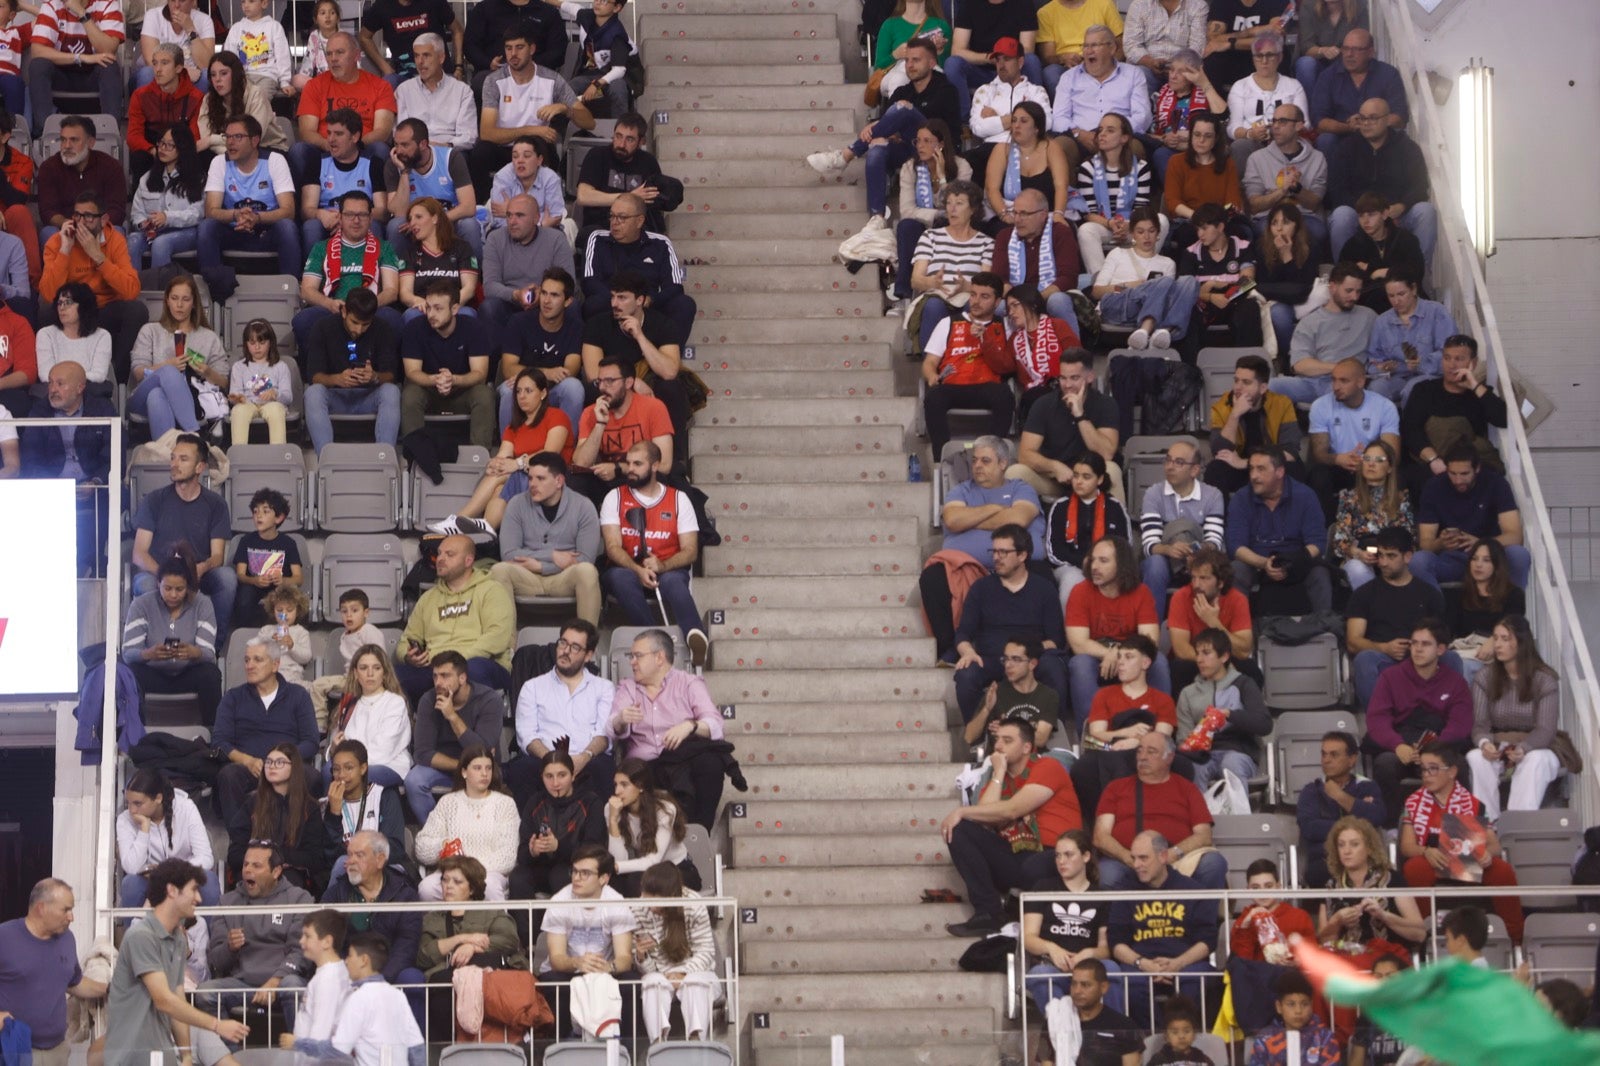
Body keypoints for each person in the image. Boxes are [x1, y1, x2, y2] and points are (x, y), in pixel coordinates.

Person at [941, 714, 1082, 936]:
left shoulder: (1048, 766)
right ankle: (989, 913)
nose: (998, 746)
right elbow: (985, 815)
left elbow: (1013, 810)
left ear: (1027, 747)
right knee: (960, 830)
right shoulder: (998, 776)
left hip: (1055, 854)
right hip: (1015, 853)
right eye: (997, 740)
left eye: (1007, 741)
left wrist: (961, 810)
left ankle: (1020, 910)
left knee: (1033, 867)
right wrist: (998, 773)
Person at [105, 859, 251, 1066]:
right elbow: (164, 1000)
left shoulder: (178, 939)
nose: (199, 898)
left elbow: (177, 997)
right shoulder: (141, 936)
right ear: (172, 890)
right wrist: (216, 1025)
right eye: (193, 890)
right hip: (130, 1058)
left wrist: (187, 1056)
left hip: (159, 1055)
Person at [806, 39, 960, 228]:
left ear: (932, 63)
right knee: (877, 148)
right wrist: (878, 129)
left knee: (902, 109)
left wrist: (893, 124)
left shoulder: (946, 90)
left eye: (916, 60)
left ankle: (846, 155)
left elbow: (934, 126)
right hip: (910, 150)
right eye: (907, 60)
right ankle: (877, 218)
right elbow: (888, 122)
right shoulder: (903, 91)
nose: (910, 65)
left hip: (939, 153)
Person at [922, 438, 1045, 663]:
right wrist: (994, 509)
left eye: (985, 461)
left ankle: (1036, 651)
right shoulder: (961, 491)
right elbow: (953, 520)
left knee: (1043, 576)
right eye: (975, 460)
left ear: (1003, 463)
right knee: (933, 576)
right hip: (966, 568)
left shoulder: (1021, 488)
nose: (977, 466)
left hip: (1018, 568)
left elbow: (1018, 519)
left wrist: (971, 519)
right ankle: (951, 647)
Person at [1396, 743, 1524, 943]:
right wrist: (1426, 851)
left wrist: (1487, 854)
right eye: (1423, 769)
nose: (1426, 775)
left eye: (1433, 769)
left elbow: (1494, 845)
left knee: (1502, 870)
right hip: (1434, 862)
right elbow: (1407, 847)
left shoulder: (1473, 803)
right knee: (1414, 868)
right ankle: (1421, 937)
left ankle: (1515, 939)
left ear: (1452, 772)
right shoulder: (1413, 803)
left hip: (1468, 862)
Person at [600, 441, 711, 658]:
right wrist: (638, 570)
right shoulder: (615, 496)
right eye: (628, 463)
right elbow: (612, 547)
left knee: (673, 581)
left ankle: (697, 638)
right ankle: (655, 641)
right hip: (629, 569)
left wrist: (662, 565)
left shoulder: (678, 499)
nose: (630, 469)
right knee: (620, 577)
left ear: (654, 466)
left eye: (638, 464)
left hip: (667, 568)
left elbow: (690, 550)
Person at [428, 372, 574, 535]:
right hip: (524, 478)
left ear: (543, 393)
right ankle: (486, 532)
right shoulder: (514, 427)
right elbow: (503, 455)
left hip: (554, 479)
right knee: (500, 485)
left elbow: (550, 455)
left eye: (528, 391)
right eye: (518, 391)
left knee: (504, 474)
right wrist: (493, 464)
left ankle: (458, 520)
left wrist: (517, 464)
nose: (522, 396)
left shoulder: (556, 416)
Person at [607, 628, 727, 827]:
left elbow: (716, 726)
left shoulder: (688, 683)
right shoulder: (628, 688)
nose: (632, 662)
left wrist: (690, 726)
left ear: (659, 657)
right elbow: (611, 727)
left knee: (711, 763)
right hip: (645, 767)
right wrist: (621, 719)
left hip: (681, 760)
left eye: (638, 656)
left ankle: (698, 831)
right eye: (631, 656)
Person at [950, 524, 1068, 723]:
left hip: (1030, 660)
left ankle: (1051, 730)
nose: (996, 557)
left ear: (1022, 555)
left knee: (1053, 668)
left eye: (1003, 552)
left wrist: (1025, 655)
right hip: (992, 660)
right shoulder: (981, 588)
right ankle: (978, 735)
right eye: (994, 551)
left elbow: (1056, 640)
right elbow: (963, 633)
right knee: (966, 674)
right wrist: (968, 652)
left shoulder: (1044, 589)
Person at [1362, 617, 1471, 822]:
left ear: (1440, 649)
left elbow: (1460, 724)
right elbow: (1377, 720)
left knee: (1459, 766)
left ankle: (1459, 829)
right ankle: (1391, 829)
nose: (1418, 649)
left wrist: (1434, 751)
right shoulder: (1390, 677)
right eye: (1414, 643)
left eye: (1425, 644)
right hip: (1402, 747)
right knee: (1384, 765)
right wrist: (1397, 746)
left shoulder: (1455, 682)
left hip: (1438, 746)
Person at [1108, 829, 1219, 1029]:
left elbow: (1208, 940)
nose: (1136, 865)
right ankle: (1156, 1039)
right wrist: (1143, 964)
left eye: (1143, 858)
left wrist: (1178, 963)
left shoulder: (1192, 890)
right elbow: (1116, 943)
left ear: (1163, 856)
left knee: (1198, 980)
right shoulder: (1124, 891)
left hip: (1186, 963)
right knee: (1129, 983)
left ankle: (1182, 1039)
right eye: (1134, 858)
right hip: (1139, 965)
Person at [197, 841, 313, 1031]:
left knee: (293, 986)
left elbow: (301, 952)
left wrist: (275, 981)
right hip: (243, 985)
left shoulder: (299, 899)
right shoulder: (227, 902)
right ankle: (229, 1050)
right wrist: (229, 948)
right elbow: (215, 961)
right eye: (246, 864)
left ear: (276, 871)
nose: (248, 870)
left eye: (256, 865)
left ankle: (299, 1048)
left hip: (282, 982)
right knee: (206, 992)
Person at [470, 21, 594, 195]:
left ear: (532, 49)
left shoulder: (551, 80)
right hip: (504, 148)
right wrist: (531, 130)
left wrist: (566, 109)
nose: (513, 54)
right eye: (508, 48)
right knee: (480, 152)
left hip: (537, 148)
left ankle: (541, 202)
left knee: (545, 147)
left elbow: (589, 123)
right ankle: (481, 203)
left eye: (519, 47)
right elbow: (487, 133)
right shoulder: (494, 81)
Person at [578, 268, 690, 457]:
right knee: (591, 390)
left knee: (671, 388)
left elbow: (670, 371)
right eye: (613, 297)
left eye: (622, 298)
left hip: (650, 384)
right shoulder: (597, 325)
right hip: (615, 384)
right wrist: (631, 382)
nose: (614, 304)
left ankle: (674, 461)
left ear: (640, 300)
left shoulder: (663, 324)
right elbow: (593, 374)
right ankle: (598, 456)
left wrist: (640, 336)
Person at [39, 190, 147, 384]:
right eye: (77, 215)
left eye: (88, 216)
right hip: (72, 310)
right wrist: (65, 250)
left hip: (104, 309)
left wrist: (99, 257)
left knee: (137, 310)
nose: (81, 222)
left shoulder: (115, 240)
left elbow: (131, 290)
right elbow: (48, 294)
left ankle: (119, 380)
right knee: (45, 312)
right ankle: (53, 380)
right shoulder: (57, 241)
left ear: (103, 220)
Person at [1093, 732, 1225, 889]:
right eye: (1140, 751)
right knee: (1107, 874)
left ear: (1169, 757)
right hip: (1127, 861)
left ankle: (1197, 907)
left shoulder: (1187, 789)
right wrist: (1129, 858)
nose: (1142, 757)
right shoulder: (1116, 788)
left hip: (1178, 861)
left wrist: (1172, 854)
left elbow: (1204, 835)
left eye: (1151, 752)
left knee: (1213, 864)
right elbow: (1100, 836)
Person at [20, 359, 115, 574]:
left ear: (80, 387)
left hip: (93, 486)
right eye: (51, 383)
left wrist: (95, 481)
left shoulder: (101, 408)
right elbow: (30, 457)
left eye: (60, 383)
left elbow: (114, 453)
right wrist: (54, 487)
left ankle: (96, 565)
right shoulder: (40, 411)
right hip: (52, 487)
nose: (52, 389)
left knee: (116, 496)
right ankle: (50, 570)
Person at [396, 535, 516, 703]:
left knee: (472, 671)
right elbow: (405, 641)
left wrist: (454, 662)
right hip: (435, 667)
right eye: (439, 553)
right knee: (393, 675)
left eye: (449, 554)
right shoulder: (428, 598)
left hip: (479, 662)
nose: (440, 559)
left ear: (468, 561)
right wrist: (408, 656)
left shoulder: (492, 590)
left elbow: (496, 638)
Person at [506, 619, 615, 805]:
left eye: (575, 647)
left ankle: (596, 824)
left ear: (588, 655)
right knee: (521, 769)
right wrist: (552, 762)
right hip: (543, 758)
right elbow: (527, 735)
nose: (565, 651)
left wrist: (584, 757)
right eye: (563, 643)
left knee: (602, 768)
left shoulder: (603, 688)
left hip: (586, 759)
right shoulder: (533, 687)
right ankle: (531, 825)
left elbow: (603, 735)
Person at [0, 879, 106, 1066]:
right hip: (14, 1051)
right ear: (41, 908)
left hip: (58, 1051)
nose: (71, 917)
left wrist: (110, 988)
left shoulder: (67, 939)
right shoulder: (5, 937)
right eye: (66, 910)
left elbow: (74, 982)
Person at [212, 639, 320, 824]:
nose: (249, 666)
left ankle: (294, 836)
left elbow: (311, 741)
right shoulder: (233, 697)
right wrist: (247, 760)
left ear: (275, 665)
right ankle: (240, 838)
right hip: (249, 767)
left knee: (312, 777)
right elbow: (220, 742)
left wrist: (282, 760)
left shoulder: (298, 695)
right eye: (247, 660)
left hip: (288, 766)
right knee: (228, 775)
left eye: (257, 660)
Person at [1466, 615, 1562, 823]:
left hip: (1536, 745)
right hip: (1499, 744)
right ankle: (1488, 824)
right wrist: (1484, 743)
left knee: (1536, 760)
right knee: (1476, 757)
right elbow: (1480, 724)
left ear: (1521, 642)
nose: (1497, 645)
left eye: (1505, 639)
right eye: (1495, 638)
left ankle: (1517, 824)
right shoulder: (1484, 677)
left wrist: (1523, 748)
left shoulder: (1544, 678)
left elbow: (1545, 729)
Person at [1065, 537, 1166, 732]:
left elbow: (1150, 641)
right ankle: (1092, 735)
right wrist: (1108, 653)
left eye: (1103, 561)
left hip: (1131, 653)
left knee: (1158, 661)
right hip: (1095, 657)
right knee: (1080, 664)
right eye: (1093, 560)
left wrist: (1120, 654)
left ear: (1121, 565)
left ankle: (1158, 731)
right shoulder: (1080, 591)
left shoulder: (1141, 592)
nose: (1094, 566)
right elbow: (1078, 643)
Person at [415, 855, 524, 1035]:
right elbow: (423, 956)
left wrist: (472, 948)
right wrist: (462, 939)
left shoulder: (491, 911)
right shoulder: (431, 919)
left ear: (472, 888)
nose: (448, 886)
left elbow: (508, 939)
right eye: (445, 880)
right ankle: (442, 1048)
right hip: (445, 983)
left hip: (488, 979)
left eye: (457, 882)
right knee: (440, 985)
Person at [131, 433, 235, 619]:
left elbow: (217, 556)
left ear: (200, 467)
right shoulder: (154, 500)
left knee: (226, 578)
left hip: (198, 573)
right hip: (159, 572)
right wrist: (165, 576)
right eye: (173, 458)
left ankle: (214, 638)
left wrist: (201, 568)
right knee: (144, 584)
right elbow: (139, 554)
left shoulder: (216, 504)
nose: (174, 464)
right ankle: (160, 637)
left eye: (183, 459)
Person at [539, 844, 638, 1038]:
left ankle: (625, 1048)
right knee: (553, 982)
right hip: (568, 970)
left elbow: (625, 958)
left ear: (603, 878)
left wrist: (608, 967)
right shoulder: (559, 902)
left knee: (630, 981)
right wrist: (577, 963)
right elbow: (557, 958)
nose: (576, 878)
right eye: (575, 871)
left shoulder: (616, 902)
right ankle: (559, 1048)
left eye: (585, 873)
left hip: (604, 971)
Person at [1071, 636, 1177, 817]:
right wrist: (1126, 733)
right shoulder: (1104, 695)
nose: (1120, 662)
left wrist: (1136, 742)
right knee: (1083, 768)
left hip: (1148, 752)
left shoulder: (1163, 700)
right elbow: (1096, 733)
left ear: (1145, 663)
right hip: (1110, 750)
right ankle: (1100, 820)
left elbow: (1162, 737)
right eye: (1119, 657)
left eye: (1128, 657)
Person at [318, 832, 427, 1005]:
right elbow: (325, 941)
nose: (351, 861)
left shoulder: (405, 895)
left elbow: (406, 945)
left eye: (359, 855)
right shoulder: (335, 895)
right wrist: (350, 973)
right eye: (349, 855)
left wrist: (379, 981)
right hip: (348, 972)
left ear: (380, 860)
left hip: (391, 973)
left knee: (412, 978)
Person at [293, 189, 404, 357]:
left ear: (370, 218)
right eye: (350, 214)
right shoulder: (321, 248)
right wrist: (329, 304)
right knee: (303, 321)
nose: (356, 220)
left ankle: (382, 370)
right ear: (340, 217)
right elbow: (307, 290)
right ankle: (318, 370)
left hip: (371, 309)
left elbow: (391, 291)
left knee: (393, 320)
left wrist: (365, 307)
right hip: (333, 308)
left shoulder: (385, 247)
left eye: (362, 215)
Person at [1325, 97, 1435, 262]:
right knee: (1341, 216)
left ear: (1387, 119)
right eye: (1362, 118)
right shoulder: (1346, 148)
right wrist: (1366, 212)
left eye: (1373, 118)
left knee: (1425, 211)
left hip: (1396, 211)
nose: (1366, 123)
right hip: (1359, 212)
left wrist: (1402, 205)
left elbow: (1419, 186)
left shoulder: (1407, 148)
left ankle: (1417, 272)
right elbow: (1336, 189)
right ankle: (1345, 273)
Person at [1023, 830, 1119, 1016]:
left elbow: (1105, 949)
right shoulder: (1043, 888)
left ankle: (1111, 1028)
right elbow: (1028, 937)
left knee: (1112, 969)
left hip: (1089, 968)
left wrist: (1089, 954)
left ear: (1086, 856)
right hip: (1052, 965)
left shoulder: (1101, 896)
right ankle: (1066, 1030)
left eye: (1068, 855)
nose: (1061, 861)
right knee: (1040, 975)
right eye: (1058, 855)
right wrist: (1051, 948)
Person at [402, 650, 507, 820]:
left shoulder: (488, 699)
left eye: (445, 676)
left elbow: (483, 751)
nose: (438, 682)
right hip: (444, 768)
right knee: (414, 780)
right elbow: (422, 754)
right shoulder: (428, 700)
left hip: (482, 770)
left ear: (462, 678)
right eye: (435, 676)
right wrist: (463, 766)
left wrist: (452, 716)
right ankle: (437, 831)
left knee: (483, 773)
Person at [198, 116, 302, 285]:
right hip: (233, 231)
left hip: (266, 232)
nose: (230, 142)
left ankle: (291, 288)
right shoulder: (219, 162)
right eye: (227, 137)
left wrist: (257, 218)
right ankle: (213, 287)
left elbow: (288, 210)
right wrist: (236, 215)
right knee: (207, 226)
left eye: (237, 137)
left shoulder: (275, 160)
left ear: (255, 140)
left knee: (287, 227)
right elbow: (211, 211)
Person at [1399, 335, 1507, 498]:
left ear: (1473, 362)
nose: (1451, 365)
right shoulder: (1424, 390)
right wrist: (1434, 460)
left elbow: (1503, 419)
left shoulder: (1479, 393)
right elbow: (1410, 430)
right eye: (1447, 358)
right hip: (1432, 463)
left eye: (1459, 359)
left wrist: (1473, 385)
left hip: (1469, 465)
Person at [1411, 444, 1531, 589]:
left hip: (1490, 557)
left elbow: (1515, 536)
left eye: (1464, 474)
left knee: (1518, 555)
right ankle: (1434, 603)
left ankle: (1512, 603)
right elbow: (1425, 543)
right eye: (1452, 473)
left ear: (1477, 468)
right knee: (1419, 561)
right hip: (1451, 559)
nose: (1458, 480)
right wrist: (1441, 543)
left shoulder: (1495, 483)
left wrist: (1481, 543)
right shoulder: (1434, 487)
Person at [121, 553, 223, 725]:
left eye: (180, 589)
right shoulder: (141, 605)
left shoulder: (202, 604)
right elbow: (128, 654)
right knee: (130, 673)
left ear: (188, 587)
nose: (173, 595)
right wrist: (148, 654)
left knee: (211, 674)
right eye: (167, 588)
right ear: (158, 584)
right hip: (152, 673)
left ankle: (214, 733)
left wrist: (194, 653)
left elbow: (209, 654)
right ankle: (134, 734)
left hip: (188, 673)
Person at [1226, 449, 1330, 613]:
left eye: (1261, 469)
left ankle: (1324, 624)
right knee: (1236, 570)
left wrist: (1292, 562)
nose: (1253, 476)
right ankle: (1239, 626)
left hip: (1296, 561)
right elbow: (1235, 546)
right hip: (1255, 563)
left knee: (1320, 573)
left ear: (1280, 472)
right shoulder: (1241, 498)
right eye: (1251, 469)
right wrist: (1264, 563)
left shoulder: (1305, 495)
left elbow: (1317, 543)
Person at [128, 274, 230, 440]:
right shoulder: (150, 330)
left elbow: (224, 382)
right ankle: (194, 434)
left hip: (190, 400)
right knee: (167, 374)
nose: (179, 305)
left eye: (185, 299)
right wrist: (168, 366)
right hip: (141, 399)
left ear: (194, 303)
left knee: (157, 395)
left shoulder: (209, 337)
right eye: (174, 298)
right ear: (167, 301)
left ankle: (167, 450)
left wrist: (207, 372)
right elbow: (138, 373)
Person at [398, 278, 496, 450]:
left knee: (484, 395)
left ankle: (479, 457)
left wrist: (454, 380)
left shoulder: (474, 328)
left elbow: (480, 373)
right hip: (428, 390)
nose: (431, 314)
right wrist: (434, 380)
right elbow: (412, 372)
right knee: (410, 395)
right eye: (428, 307)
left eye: (438, 308)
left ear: (455, 308)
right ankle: (415, 454)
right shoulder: (414, 328)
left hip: (462, 391)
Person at [302, 288, 402, 455]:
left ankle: (385, 458)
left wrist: (375, 377)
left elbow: (391, 375)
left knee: (391, 391)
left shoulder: (383, 329)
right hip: (336, 396)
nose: (359, 330)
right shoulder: (323, 327)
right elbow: (314, 376)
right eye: (354, 322)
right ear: (344, 312)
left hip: (369, 396)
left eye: (365, 324)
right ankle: (326, 458)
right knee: (313, 393)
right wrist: (337, 379)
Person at [920, 271, 1009, 458]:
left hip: (988, 387)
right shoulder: (948, 323)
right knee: (934, 397)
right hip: (953, 385)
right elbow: (930, 362)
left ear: (997, 302)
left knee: (1004, 395)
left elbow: (1008, 364)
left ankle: (994, 456)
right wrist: (932, 376)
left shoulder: (1004, 326)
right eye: (973, 294)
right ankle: (942, 458)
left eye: (984, 297)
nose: (976, 301)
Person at [414, 745, 520, 901]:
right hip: (450, 873)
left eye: (488, 768)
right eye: (477, 768)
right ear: (464, 772)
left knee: (490, 887)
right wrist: (442, 846)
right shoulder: (448, 802)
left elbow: (507, 857)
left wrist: (468, 872)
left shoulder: (505, 804)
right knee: (426, 888)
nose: (484, 773)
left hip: (489, 873)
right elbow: (422, 847)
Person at [1012, 347, 1118, 500]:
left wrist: (1080, 416)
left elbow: (1106, 453)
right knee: (1016, 472)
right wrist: (1054, 467)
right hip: (1055, 478)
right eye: (1063, 378)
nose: (1067, 385)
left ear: (1090, 377)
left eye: (1074, 378)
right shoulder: (1043, 404)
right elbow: (1025, 455)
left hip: (1092, 479)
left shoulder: (1106, 404)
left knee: (1112, 470)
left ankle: (1114, 516)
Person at [569, 355, 674, 507]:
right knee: (575, 481)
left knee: (663, 478)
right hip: (605, 480)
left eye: (610, 381)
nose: (602, 387)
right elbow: (581, 463)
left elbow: (664, 465)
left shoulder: (654, 408)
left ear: (628, 382)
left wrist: (619, 469)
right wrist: (600, 424)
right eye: (600, 381)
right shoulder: (591, 412)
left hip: (638, 477)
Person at [630, 861, 718, 1042]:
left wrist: (683, 973)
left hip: (697, 971)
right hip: (661, 974)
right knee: (652, 983)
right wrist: (641, 956)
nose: (647, 901)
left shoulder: (693, 903)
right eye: (646, 893)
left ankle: (696, 1043)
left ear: (670, 896)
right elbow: (649, 971)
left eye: (654, 896)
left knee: (693, 983)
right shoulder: (637, 909)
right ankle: (658, 1044)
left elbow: (706, 951)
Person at [1317, 815, 1425, 959]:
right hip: (1346, 962)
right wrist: (1336, 921)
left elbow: (1419, 934)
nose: (1346, 851)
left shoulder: (1393, 880)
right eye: (1341, 845)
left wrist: (1383, 915)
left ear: (1369, 848)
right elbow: (1323, 942)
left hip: (1387, 962)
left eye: (1354, 844)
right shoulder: (1330, 886)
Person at [293, 31, 398, 180]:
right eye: (329, 54)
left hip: (363, 148)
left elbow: (382, 131)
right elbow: (306, 131)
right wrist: (329, 144)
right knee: (299, 150)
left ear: (356, 55)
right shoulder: (314, 86)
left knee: (380, 149)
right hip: (325, 150)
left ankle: (378, 194)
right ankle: (305, 196)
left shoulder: (380, 86)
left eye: (340, 52)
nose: (333, 59)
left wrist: (353, 145)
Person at [226, 741, 329, 892]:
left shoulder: (309, 808)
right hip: (253, 872)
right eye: (268, 762)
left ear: (293, 767)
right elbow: (234, 854)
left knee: (289, 883)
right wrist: (259, 862)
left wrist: (276, 857)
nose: (272, 766)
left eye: (279, 762)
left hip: (290, 875)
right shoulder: (252, 804)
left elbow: (315, 859)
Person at [1089, 206, 1198, 349]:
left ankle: (1162, 331)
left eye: (1151, 231)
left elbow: (1167, 299)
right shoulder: (1118, 253)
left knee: (1189, 281)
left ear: (1158, 233)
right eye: (1140, 232)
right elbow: (1096, 292)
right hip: (1118, 303)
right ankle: (1149, 330)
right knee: (1164, 282)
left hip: (1150, 307)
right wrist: (1129, 286)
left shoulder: (1168, 263)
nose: (1146, 236)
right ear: (1132, 234)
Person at [1175, 627, 1269, 790]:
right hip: (1203, 755)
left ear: (1224, 656)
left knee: (1231, 764)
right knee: (1193, 768)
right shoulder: (1188, 693)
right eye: (1197, 653)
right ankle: (1199, 808)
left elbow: (1264, 724)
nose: (1199, 659)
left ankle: (1237, 808)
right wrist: (1198, 739)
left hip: (1239, 752)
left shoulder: (1244, 684)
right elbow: (1183, 739)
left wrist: (1230, 715)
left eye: (1206, 653)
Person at [1049, 26, 1150, 174]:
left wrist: (1114, 134)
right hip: (1080, 139)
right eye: (1086, 46)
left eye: (1095, 45)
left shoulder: (1133, 74)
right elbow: (1059, 118)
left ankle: (1126, 190)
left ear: (1112, 48)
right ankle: (1068, 190)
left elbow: (1142, 117)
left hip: (1120, 138)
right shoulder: (1069, 77)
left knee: (1134, 148)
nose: (1088, 51)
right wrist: (1079, 134)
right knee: (1059, 146)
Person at [1069, 114, 1162, 274]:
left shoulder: (1141, 167)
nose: (1102, 134)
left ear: (1124, 138)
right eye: (1100, 130)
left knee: (1162, 221)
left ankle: (1143, 271)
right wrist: (1110, 223)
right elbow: (1088, 213)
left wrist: (1128, 226)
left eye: (1110, 130)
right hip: (1104, 226)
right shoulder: (1088, 168)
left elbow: (1141, 208)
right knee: (1086, 230)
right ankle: (1100, 280)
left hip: (1133, 228)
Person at [893, 118, 973, 306]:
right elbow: (907, 210)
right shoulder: (909, 168)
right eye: (918, 141)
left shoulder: (962, 167)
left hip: (953, 224)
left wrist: (943, 177)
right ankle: (903, 294)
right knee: (906, 227)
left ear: (941, 144)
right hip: (924, 224)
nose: (920, 146)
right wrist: (936, 215)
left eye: (927, 141)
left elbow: (958, 207)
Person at [510, 750, 608, 900]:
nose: (555, 783)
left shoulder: (590, 802)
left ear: (573, 775)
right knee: (518, 877)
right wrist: (532, 851)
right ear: (541, 777)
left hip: (575, 866)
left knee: (560, 875)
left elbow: (594, 850)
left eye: (562, 775)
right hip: (541, 867)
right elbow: (522, 854)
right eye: (549, 776)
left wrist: (558, 846)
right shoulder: (535, 802)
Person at [1271, 268, 1375, 406]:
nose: (1354, 297)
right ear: (1332, 287)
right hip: (1312, 382)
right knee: (1269, 386)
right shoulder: (1310, 322)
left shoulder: (1368, 316)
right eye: (1349, 291)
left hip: (1348, 382)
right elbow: (1300, 365)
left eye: (1358, 292)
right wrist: (1338, 367)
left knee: (1339, 389)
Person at [116, 768, 220, 908]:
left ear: (158, 798)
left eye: (138, 803)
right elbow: (131, 867)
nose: (132, 810)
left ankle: (208, 924)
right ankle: (138, 924)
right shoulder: (125, 819)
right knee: (130, 884)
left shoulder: (186, 808)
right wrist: (144, 830)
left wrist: (171, 872)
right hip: (150, 880)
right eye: (128, 803)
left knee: (209, 881)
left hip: (184, 875)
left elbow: (206, 858)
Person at [319, 932, 425, 1066]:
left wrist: (302, 1045)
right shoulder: (398, 995)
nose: (346, 961)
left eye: (350, 955)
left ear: (364, 960)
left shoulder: (358, 998)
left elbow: (338, 1050)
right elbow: (417, 1047)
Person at [1295, 731, 1383, 890]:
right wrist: (1357, 819)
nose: (1326, 760)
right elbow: (1310, 828)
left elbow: (1377, 817)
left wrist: (1340, 796)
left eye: (1334, 755)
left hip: (1364, 861)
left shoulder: (1367, 786)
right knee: (1318, 873)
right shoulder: (1311, 790)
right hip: (1324, 861)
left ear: (1352, 759)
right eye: (1324, 754)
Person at [497, 267, 584, 429]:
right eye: (544, 293)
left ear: (568, 301)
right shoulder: (519, 322)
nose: (546, 301)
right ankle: (508, 445)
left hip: (554, 389)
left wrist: (536, 376)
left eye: (554, 295)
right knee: (509, 391)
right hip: (523, 385)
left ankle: (567, 444)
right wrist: (546, 373)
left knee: (574, 387)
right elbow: (508, 369)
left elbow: (570, 370)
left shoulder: (575, 327)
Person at [1205, 353, 1303, 495]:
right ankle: (1221, 511)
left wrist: (1247, 463)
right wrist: (1234, 415)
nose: (1238, 388)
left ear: (1263, 388)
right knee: (1215, 470)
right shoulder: (1222, 406)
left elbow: (1290, 451)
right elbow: (1220, 450)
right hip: (1239, 471)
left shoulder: (1282, 404)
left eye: (1246, 382)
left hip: (1269, 467)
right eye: (1236, 381)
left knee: (1294, 468)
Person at [480, 193, 575, 338]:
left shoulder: (556, 239)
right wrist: (516, 295)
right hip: (510, 303)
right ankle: (498, 353)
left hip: (545, 301)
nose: (512, 221)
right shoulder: (495, 239)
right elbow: (489, 286)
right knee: (489, 307)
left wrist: (541, 293)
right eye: (509, 215)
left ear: (536, 218)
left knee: (571, 306)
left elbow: (568, 282)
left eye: (519, 215)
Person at [26, 0, 124, 139]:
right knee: (38, 65)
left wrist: (82, 13)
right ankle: (45, 133)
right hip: (61, 76)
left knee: (109, 64)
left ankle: (110, 135)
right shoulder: (52, 6)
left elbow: (108, 50)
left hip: (93, 77)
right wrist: (80, 57)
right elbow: (37, 51)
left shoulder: (107, 4)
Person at [385, 118, 480, 261]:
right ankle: (398, 273)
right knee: (395, 226)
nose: (399, 151)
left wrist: (431, 222)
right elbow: (399, 213)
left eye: (405, 145)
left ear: (423, 144)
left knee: (469, 225)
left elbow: (468, 207)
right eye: (396, 144)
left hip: (447, 221)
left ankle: (475, 273)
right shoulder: (394, 164)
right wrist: (404, 172)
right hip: (413, 225)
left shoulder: (451, 158)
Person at [991, 188, 1084, 332]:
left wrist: (1034, 300)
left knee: (1058, 301)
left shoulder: (1060, 233)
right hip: (1016, 298)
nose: (1017, 219)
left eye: (1024, 214)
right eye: (1015, 213)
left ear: (1043, 215)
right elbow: (999, 279)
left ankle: (1072, 346)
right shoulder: (1005, 236)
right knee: (998, 306)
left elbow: (1068, 277)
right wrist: (1018, 302)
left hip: (1048, 295)